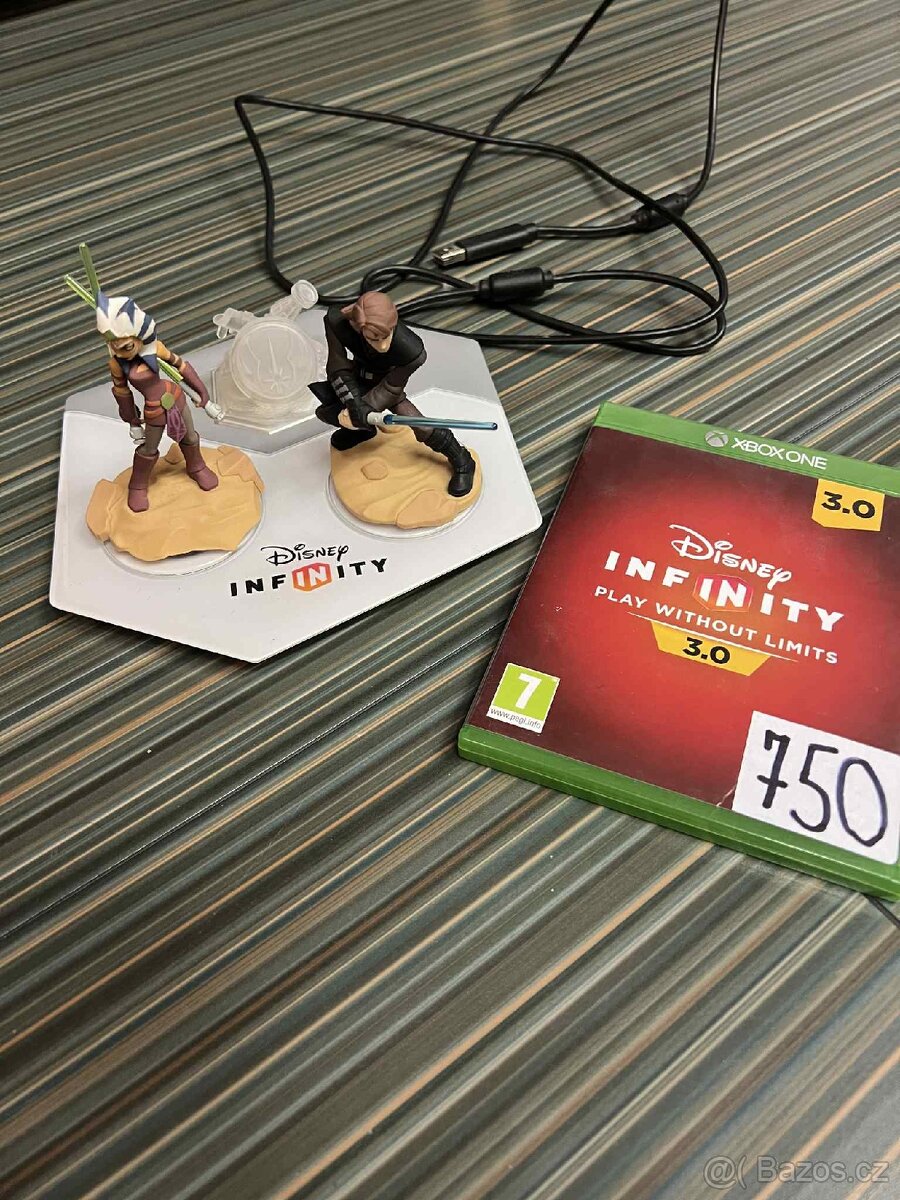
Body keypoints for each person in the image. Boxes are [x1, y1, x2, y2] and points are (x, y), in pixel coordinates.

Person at [313, 291, 476, 497]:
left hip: (387, 385)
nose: (383, 345)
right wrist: (353, 404)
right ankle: (363, 431)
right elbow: (338, 365)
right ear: (357, 327)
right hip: (358, 377)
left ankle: (463, 460)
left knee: (421, 426)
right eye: (374, 338)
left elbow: (392, 387)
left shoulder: (411, 350)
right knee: (331, 409)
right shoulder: (337, 323)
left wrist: (364, 409)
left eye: (387, 335)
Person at [97, 291, 223, 512]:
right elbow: (123, 393)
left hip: (175, 397)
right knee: (149, 448)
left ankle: (196, 466)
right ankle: (137, 485)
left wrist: (202, 392)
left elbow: (181, 366)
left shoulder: (156, 348)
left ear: (139, 336)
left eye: (126, 346)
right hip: (153, 408)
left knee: (189, 436)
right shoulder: (117, 364)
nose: (120, 352)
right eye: (114, 346)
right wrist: (132, 420)